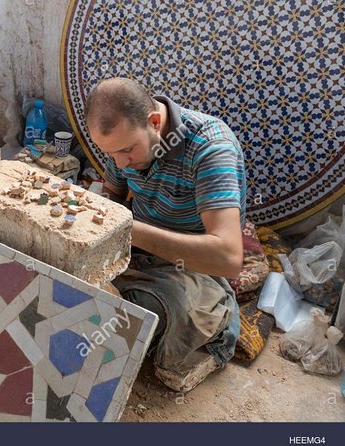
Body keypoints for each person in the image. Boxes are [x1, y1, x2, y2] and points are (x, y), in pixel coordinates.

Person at [85, 77, 245, 389]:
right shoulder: (123, 140)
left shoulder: (211, 148)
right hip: (137, 250)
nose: (120, 162)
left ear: (155, 122)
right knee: (68, 283)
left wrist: (130, 230)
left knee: (138, 315)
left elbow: (228, 257)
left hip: (194, 265)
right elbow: (112, 200)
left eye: (127, 151)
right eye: (111, 153)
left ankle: (217, 330)